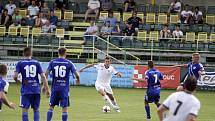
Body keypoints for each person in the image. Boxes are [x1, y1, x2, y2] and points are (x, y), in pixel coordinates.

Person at [13, 47, 50, 121]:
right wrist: (47, 89)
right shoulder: (37, 63)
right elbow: (43, 76)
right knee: (36, 110)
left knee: (25, 110)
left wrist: (17, 80)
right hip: (36, 90)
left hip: (26, 90)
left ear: (23, 54)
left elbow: (15, 76)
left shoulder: (20, 63)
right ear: (31, 53)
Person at [46, 47, 80, 121]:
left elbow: (46, 73)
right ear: (66, 53)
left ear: (58, 53)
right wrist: (78, 80)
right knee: (64, 108)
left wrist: (44, 86)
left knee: (51, 106)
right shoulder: (69, 63)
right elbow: (77, 75)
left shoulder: (52, 62)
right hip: (64, 89)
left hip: (55, 88)